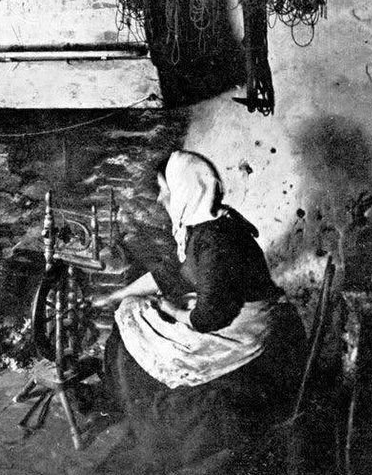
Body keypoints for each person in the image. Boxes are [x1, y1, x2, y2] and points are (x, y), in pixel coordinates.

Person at [102, 150, 306, 472]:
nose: (159, 199)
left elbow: (208, 318)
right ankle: (143, 422)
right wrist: (119, 293)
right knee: (132, 309)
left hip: (244, 329)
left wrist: (172, 309)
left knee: (136, 323)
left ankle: (152, 433)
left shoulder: (215, 241)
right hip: (234, 313)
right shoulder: (209, 224)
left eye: (164, 190)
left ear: (185, 190)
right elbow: (172, 274)